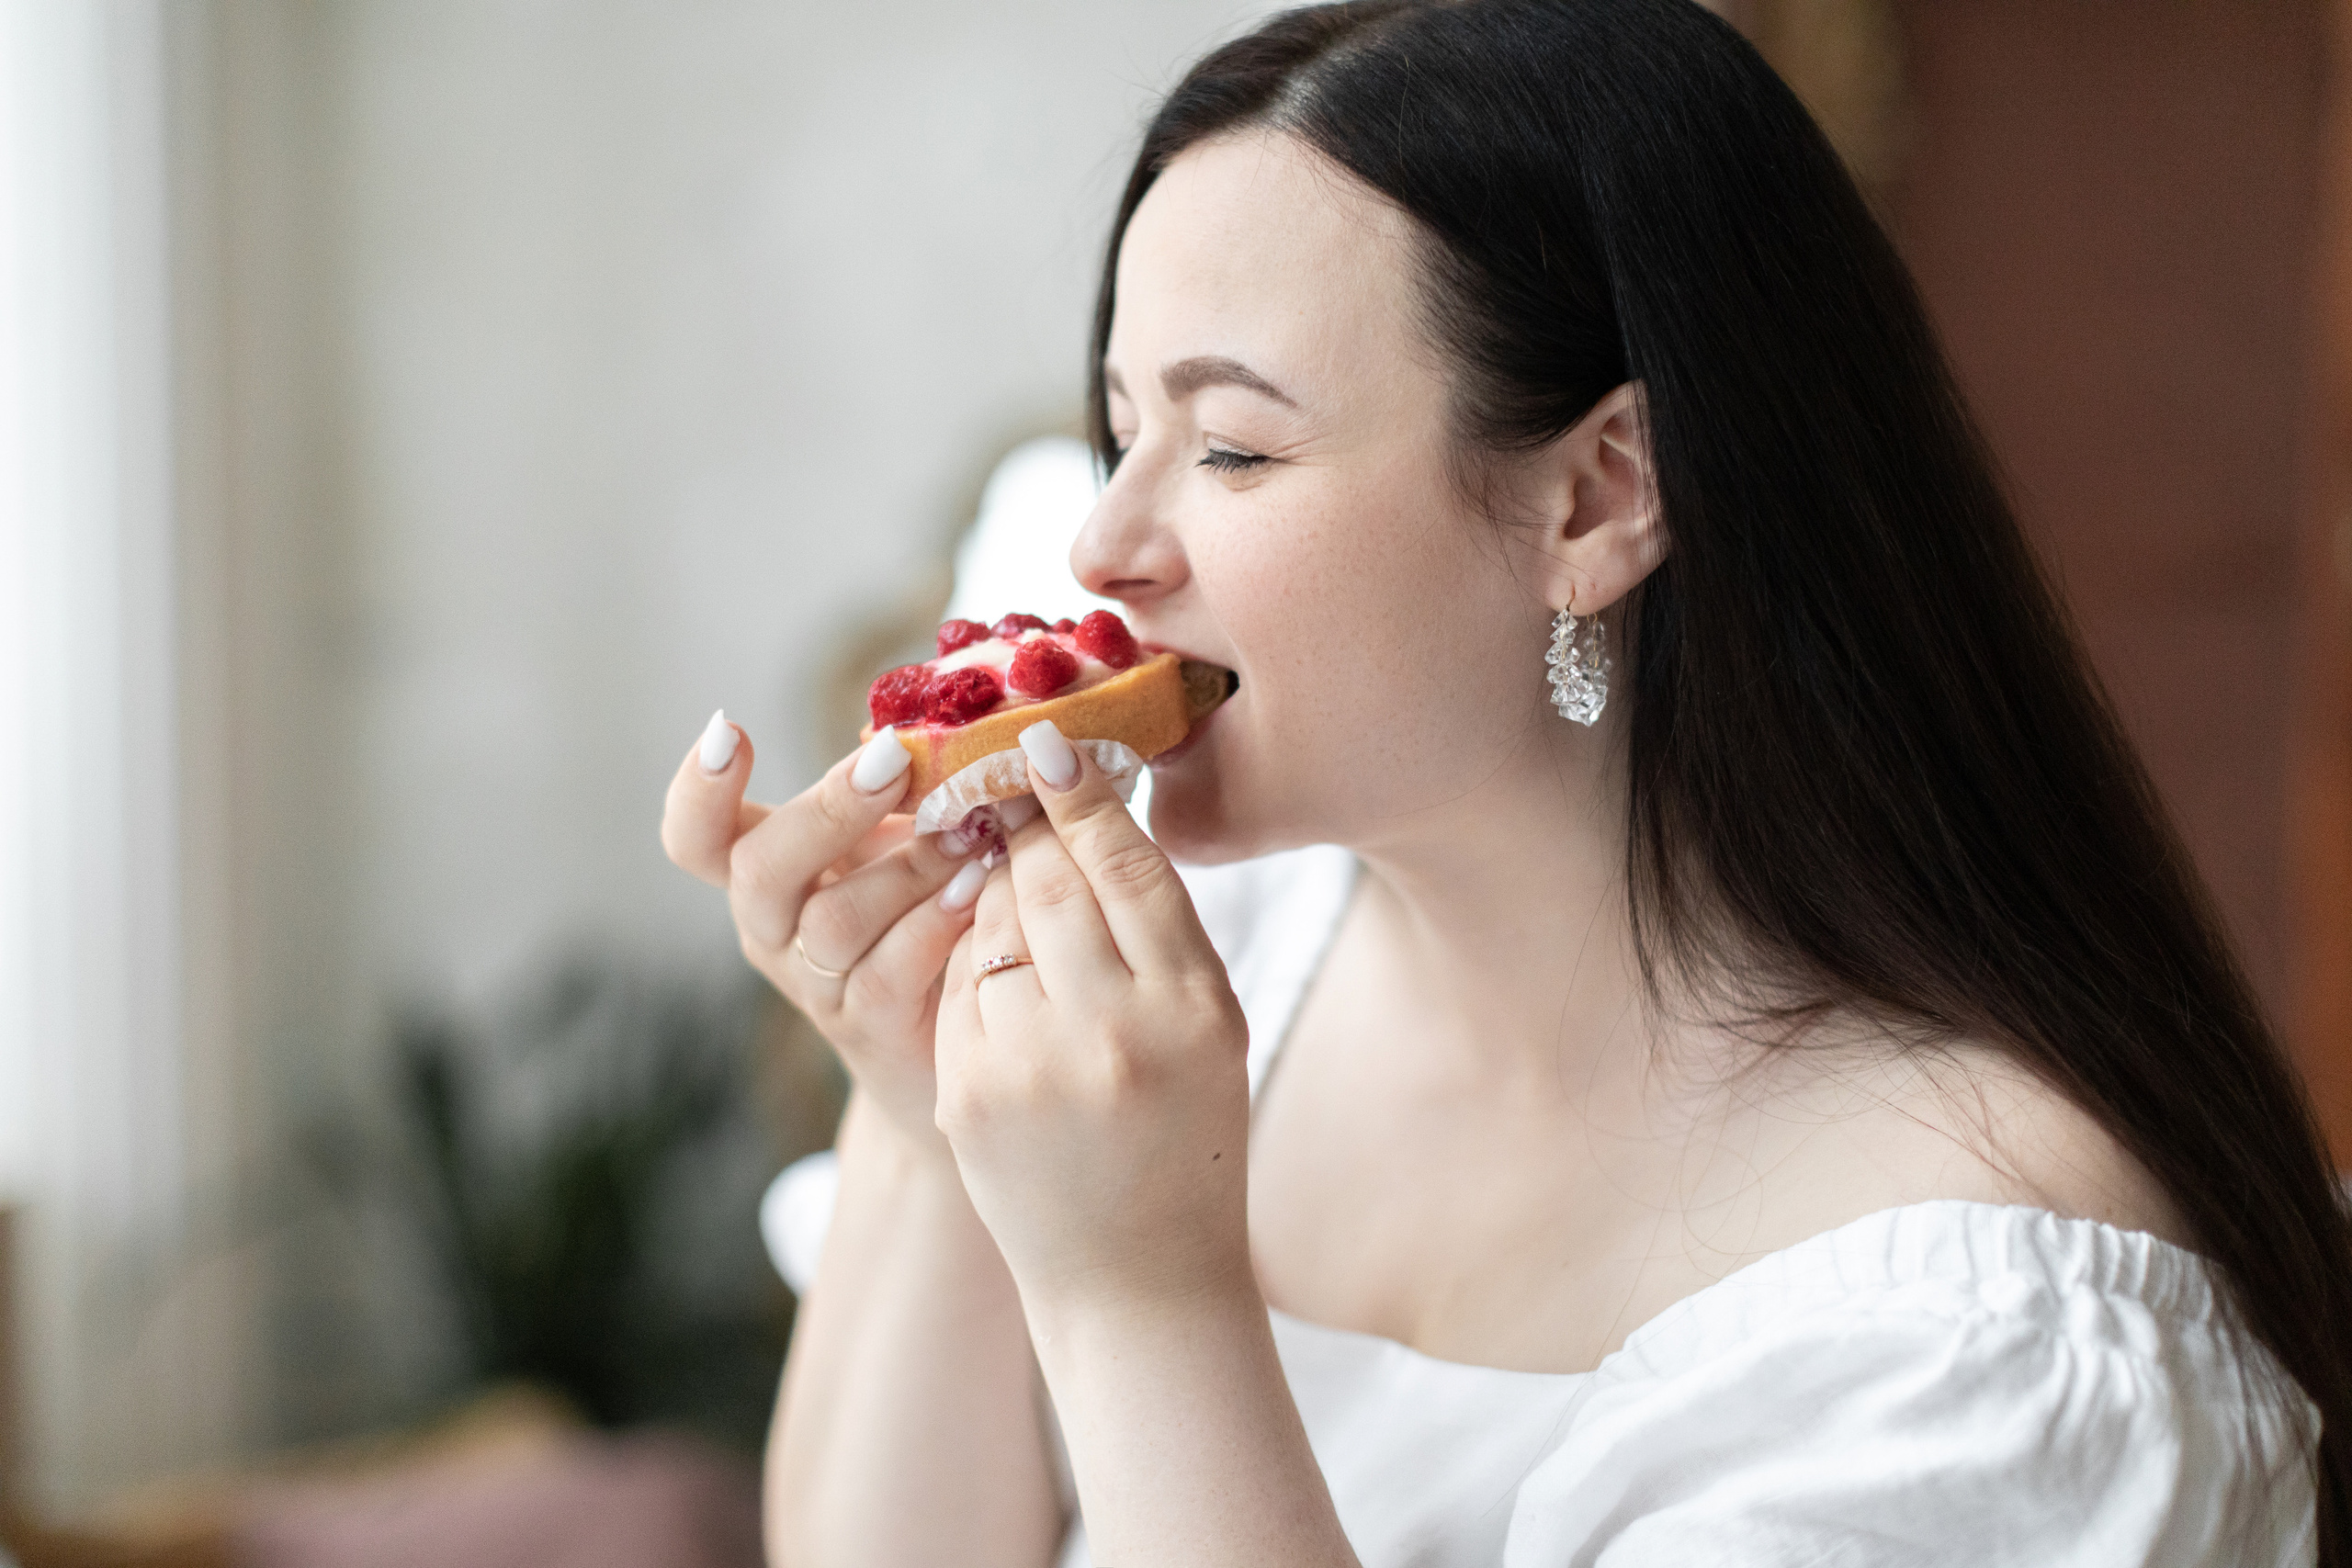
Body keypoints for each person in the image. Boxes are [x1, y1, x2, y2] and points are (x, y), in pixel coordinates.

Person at [661, 2, 2352, 1563]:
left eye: (1234, 446)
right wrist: (919, 1106)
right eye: (1121, 434)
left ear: (1599, 497)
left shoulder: (1995, 1336)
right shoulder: (1219, 935)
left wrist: (1142, 1294)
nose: (1105, 546)